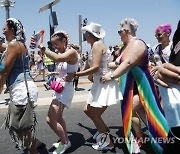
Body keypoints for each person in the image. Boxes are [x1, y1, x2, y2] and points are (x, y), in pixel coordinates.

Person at [101, 18, 169, 153]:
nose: (119, 34)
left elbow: (128, 63)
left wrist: (112, 76)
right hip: (132, 87)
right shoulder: (125, 47)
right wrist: (101, 66)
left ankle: (158, 138)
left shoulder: (138, 44)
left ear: (126, 30)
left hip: (144, 86)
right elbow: (119, 63)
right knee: (140, 112)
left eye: (119, 31)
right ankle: (146, 135)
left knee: (136, 110)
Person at [75, 22, 122, 151]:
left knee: (95, 115)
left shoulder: (96, 45)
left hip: (103, 84)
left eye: (85, 34)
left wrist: (76, 74)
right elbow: (89, 66)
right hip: (98, 83)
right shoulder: (93, 46)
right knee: (87, 110)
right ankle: (103, 130)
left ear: (90, 35)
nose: (84, 36)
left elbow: (95, 67)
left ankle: (108, 142)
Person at [33, 30, 78, 154]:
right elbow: (64, 69)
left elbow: (58, 59)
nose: (55, 47)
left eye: (56, 44)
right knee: (58, 117)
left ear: (64, 40)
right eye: (53, 45)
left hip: (65, 90)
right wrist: (54, 73)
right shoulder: (63, 52)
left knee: (50, 119)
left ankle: (65, 142)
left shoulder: (71, 52)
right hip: (59, 88)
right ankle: (65, 139)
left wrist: (41, 47)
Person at [0, 18, 39, 153]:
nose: (2, 32)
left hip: (21, 89)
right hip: (23, 87)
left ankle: (34, 149)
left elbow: (4, 71)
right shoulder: (18, 45)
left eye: (4, 29)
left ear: (12, 30)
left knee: (21, 128)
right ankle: (34, 144)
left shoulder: (14, 45)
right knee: (23, 127)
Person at [156, 20, 180, 154]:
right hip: (165, 84)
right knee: (163, 109)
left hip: (174, 84)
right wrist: (158, 71)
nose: (157, 37)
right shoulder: (157, 48)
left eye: (159, 35)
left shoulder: (171, 46)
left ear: (167, 34)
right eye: (156, 35)